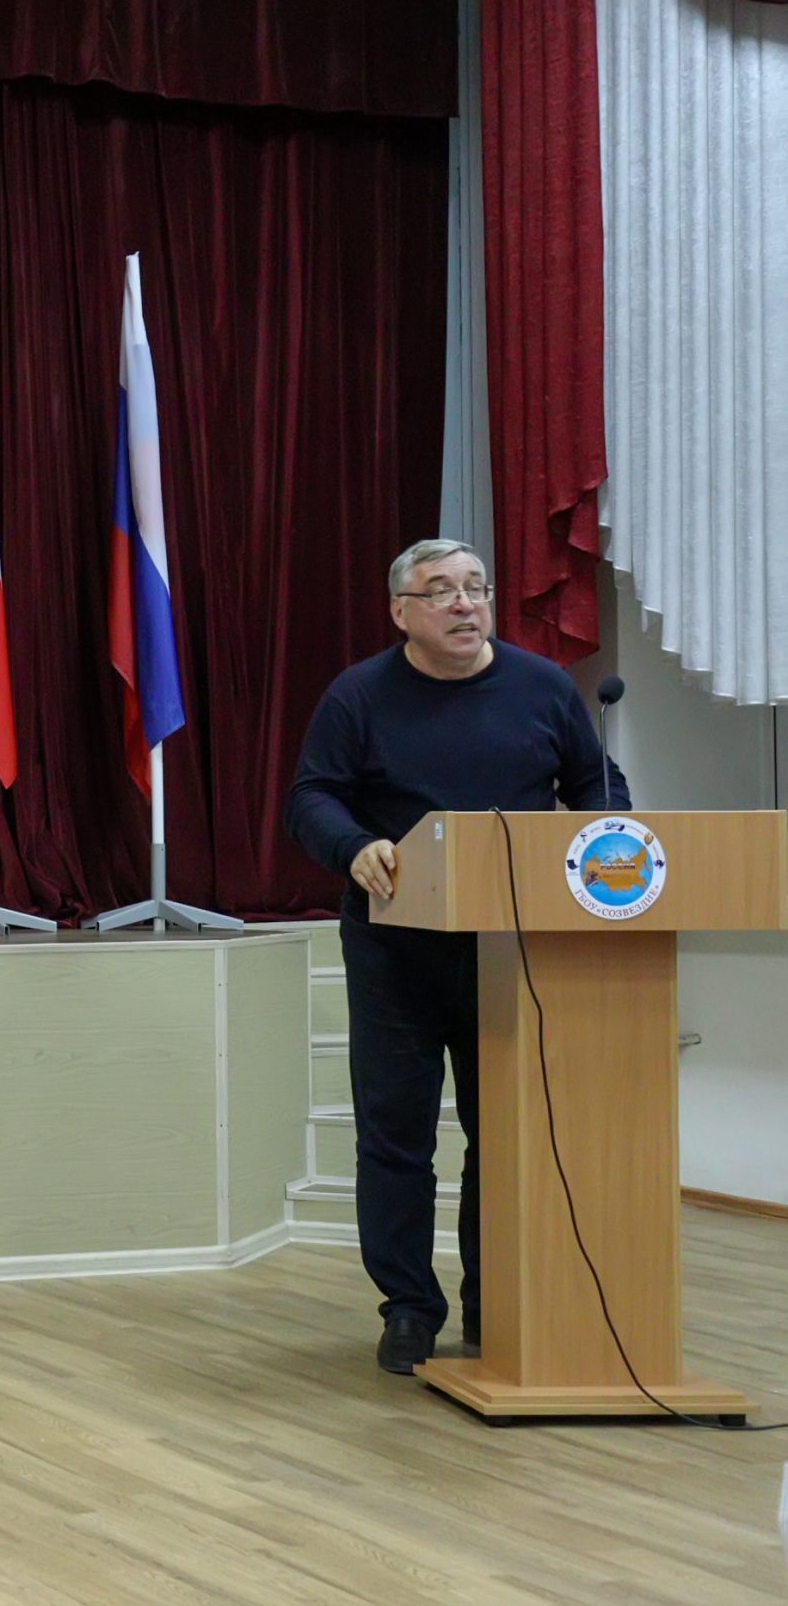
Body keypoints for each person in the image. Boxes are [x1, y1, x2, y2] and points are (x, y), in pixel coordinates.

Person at [287, 539, 628, 1376]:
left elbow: (595, 784)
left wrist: (606, 839)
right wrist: (354, 845)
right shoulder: (359, 695)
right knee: (396, 1137)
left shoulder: (542, 686)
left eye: (476, 587)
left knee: (502, 1133)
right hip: (396, 952)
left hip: (512, 951)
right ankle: (409, 1307)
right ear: (401, 611)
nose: (465, 603)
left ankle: (492, 1301)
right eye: (440, 591)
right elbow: (312, 796)